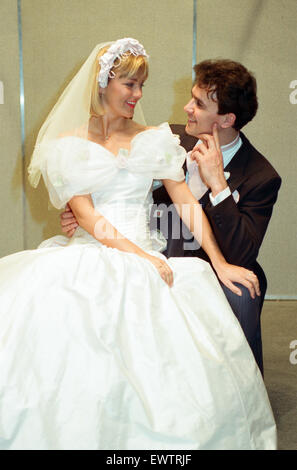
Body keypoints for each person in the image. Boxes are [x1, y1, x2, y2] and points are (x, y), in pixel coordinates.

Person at [0, 39, 276, 450]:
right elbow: (90, 216)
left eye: (142, 85)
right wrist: (140, 255)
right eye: (130, 84)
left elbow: (183, 201)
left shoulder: (155, 139)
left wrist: (217, 261)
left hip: (158, 254)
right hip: (101, 253)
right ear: (103, 83)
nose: (139, 95)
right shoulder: (68, 145)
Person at [149, 60, 281, 374]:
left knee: (244, 289)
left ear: (225, 119)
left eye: (198, 103)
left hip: (212, 265)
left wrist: (218, 185)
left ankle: (239, 389)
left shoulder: (260, 176)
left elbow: (242, 254)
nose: (186, 107)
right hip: (154, 252)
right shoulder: (169, 139)